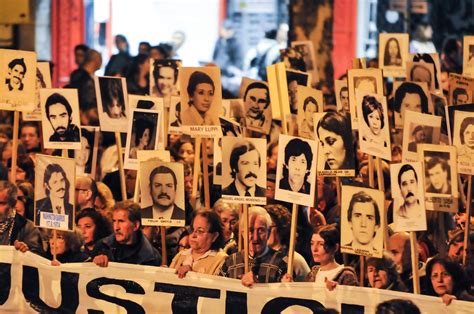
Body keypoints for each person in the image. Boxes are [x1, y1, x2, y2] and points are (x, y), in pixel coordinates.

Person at [219, 206, 287, 286]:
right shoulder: (230, 262)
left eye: (261, 230)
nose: (255, 237)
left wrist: (288, 287)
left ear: (268, 233)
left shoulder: (281, 263)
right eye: (250, 230)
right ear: (242, 233)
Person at [92, 200, 161, 266]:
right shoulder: (102, 247)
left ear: (136, 225)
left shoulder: (151, 257)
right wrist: (96, 262)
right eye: (114, 221)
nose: (116, 228)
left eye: (121, 221)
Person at [170, 210, 227, 277]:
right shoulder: (181, 255)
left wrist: (191, 274)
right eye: (192, 230)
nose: (193, 236)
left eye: (200, 231)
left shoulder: (221, 259)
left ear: (214, 236)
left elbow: (215, 286)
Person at [0, 181, 43, 255]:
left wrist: (25, 251)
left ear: (13, 203)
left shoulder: (28, 227)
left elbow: (37, 258)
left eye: (1, 203)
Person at [35, 163, 74, 230]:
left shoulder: (72, 209)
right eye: (55, 182)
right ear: (47, 186)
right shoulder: (38, 207)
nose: (60, 186)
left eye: (62, 180)